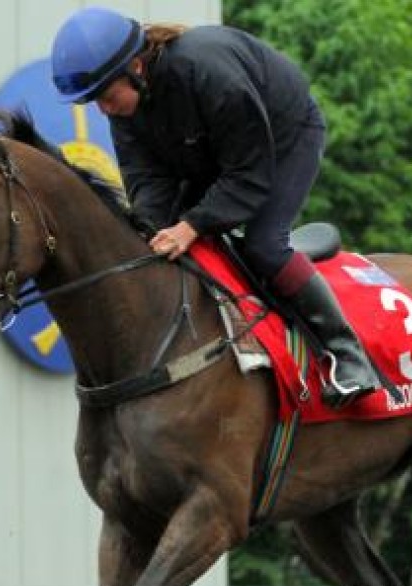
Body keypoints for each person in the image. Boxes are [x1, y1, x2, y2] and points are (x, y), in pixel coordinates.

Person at [50, 7, 379, 408]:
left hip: (280, 142)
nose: (103, 109)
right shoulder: (127, 109)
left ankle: (347, 353)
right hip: (210, 151)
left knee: (263, 245)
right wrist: (146, 232)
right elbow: (147, 183)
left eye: (105, 95)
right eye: (92, 102)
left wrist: (190, 226)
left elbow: (248, 176)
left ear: (136, 66)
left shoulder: (206, 71)